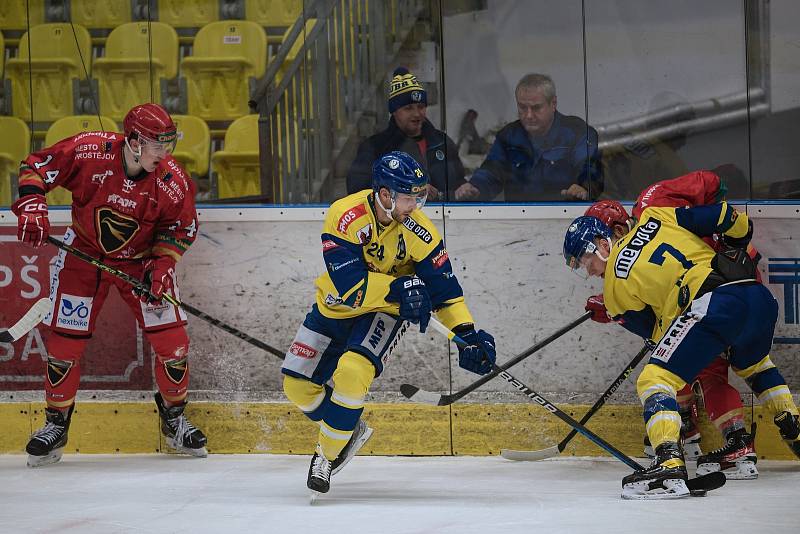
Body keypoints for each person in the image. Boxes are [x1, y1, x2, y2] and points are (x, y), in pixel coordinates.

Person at [284, 151, 496, 496]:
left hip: (385, 312)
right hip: (336, 307)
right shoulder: (345, 216)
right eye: (409, 197)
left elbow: (445, 293)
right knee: (295, 386)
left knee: (352, 372)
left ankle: (325, 455)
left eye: (419, 196)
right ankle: (348, 427)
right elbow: (349, 285)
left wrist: (466, 332)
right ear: (385, 194)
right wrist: (400, 286)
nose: (415, 205)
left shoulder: (419, 230)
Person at [11, 103, 207, 467]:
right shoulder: (89, 150)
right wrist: (33, 202)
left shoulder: (172, 180)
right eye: (157, 145)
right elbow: (35, 165)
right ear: (133, 140)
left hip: (142, 262)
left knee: (173, 344)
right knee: (63, 347)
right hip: (84, 254)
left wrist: (163, 264)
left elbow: (182, 228)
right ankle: (56, 425)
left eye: (168, 144)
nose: (164, 154)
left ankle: (174, 420)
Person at [563, 202, 800, 500]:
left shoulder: (613, 288)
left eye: (586, 259)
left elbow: (659, 336)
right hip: (755, 295)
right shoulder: (654, 216)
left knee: (654, 379)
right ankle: (794, 428)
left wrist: (613, 314)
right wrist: (738, 240)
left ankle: (668, 465)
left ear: (603, 242)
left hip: (712, 306)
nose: (589, 269)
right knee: (755, 365)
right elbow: (725, 216)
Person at [584, 168, 761, 480]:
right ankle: (707, 435)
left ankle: (691, 440)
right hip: (733, 288)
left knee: (678, 365)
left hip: (718, 287)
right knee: (694, 363)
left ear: (614, 231)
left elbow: (712, 184)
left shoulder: (652, 209)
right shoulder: (650, 230)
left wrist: (616, 313)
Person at [455, 73, 602, 202]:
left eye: (536, 108)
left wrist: (583, 188)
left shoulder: (577, 133)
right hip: (518, 221)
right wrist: (475, 187)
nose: (529, 115)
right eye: (522, 107)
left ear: (553, 104)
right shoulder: (508, 137)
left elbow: (589, 168)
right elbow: (492, 172)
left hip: (569, 219)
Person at [346, 67, 466, 201]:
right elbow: (357, 190)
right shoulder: (375, 147)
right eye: (408, 108)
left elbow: (458, 182)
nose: (416, 114)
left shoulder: (442, 142)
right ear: (394, 111)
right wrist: (408, 189)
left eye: (421, 107)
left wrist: (464, 190)